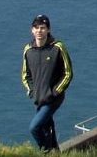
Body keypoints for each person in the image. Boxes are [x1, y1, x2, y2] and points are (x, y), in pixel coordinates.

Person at [21, 14, 73, 151]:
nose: (39, 31)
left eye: (43, 28)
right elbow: (25, 75)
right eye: (36, 28)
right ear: (32, 30)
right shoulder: (28, 50)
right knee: (47, 127)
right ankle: (55, 151)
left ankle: (46, 151)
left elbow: (68, 73)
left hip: (53, 98)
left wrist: (55, 92)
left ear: (48, 30)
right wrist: (31, 90)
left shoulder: (58, 47)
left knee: (34, 127)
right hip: (39, 98)